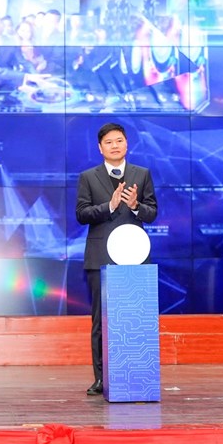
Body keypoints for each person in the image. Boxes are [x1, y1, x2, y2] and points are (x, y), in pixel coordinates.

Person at [75, 123, 158, 395]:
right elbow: (81, 214)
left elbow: (152, 213)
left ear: (127, 144)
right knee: (102, 321)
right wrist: (109, 206)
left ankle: (135, 373)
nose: (114, 145)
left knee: (135, 318)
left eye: (119, 140)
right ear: (100, 148)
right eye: (109, 142)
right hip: (100, 256)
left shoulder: (141, 174)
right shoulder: (88, 177)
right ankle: (101, 378)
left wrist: (135, 206)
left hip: (135, 257)